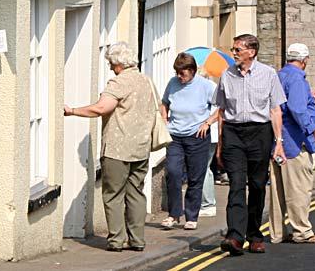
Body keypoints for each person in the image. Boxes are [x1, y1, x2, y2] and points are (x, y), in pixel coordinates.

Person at [63, 42, 155, 252]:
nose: (110, 67)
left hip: (118, 148)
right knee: (136, 194)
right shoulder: (145, 80)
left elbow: (102, 108)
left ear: (118, 63)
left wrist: (73, 111)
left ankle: (116, 240)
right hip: (141, 146)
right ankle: (138, 240)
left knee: (113, 194)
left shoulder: (118, 82)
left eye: (111, 63)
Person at [214, 34, 286, 255]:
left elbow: (275, 110)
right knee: (236, 184)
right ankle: (235, 236)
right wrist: (220, 145)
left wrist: (279, 143)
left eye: (237, 49)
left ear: (251, 52)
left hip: (260, 133)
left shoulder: (268, 74)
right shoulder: (227, 74)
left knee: (256, 185)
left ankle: (254, 234)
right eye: (234, 49)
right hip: (234, 133)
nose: (234, 52)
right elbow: (222, 111)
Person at [268, 43, 315, 244]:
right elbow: (296, 108)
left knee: (278, 190)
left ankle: (277, 233)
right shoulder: (296, 78)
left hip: (278, 140)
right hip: (295, 142)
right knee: (299, 189)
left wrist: (308, 95)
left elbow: (283, 103)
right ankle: (302, 231)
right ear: (305, 60)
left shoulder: (281, 74)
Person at [160, 53, 217, 230]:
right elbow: (164, 103)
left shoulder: (206, 86)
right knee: (173, 172)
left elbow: (221, 107)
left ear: (192, 71)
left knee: (195, 176)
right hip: (175, 136)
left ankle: (192, 216)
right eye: (177, 72)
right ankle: (174, 214)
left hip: (197, 137)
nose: (179, 76)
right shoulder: (172, 83)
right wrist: (164, 118)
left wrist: (207, 122)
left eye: (182, 73)